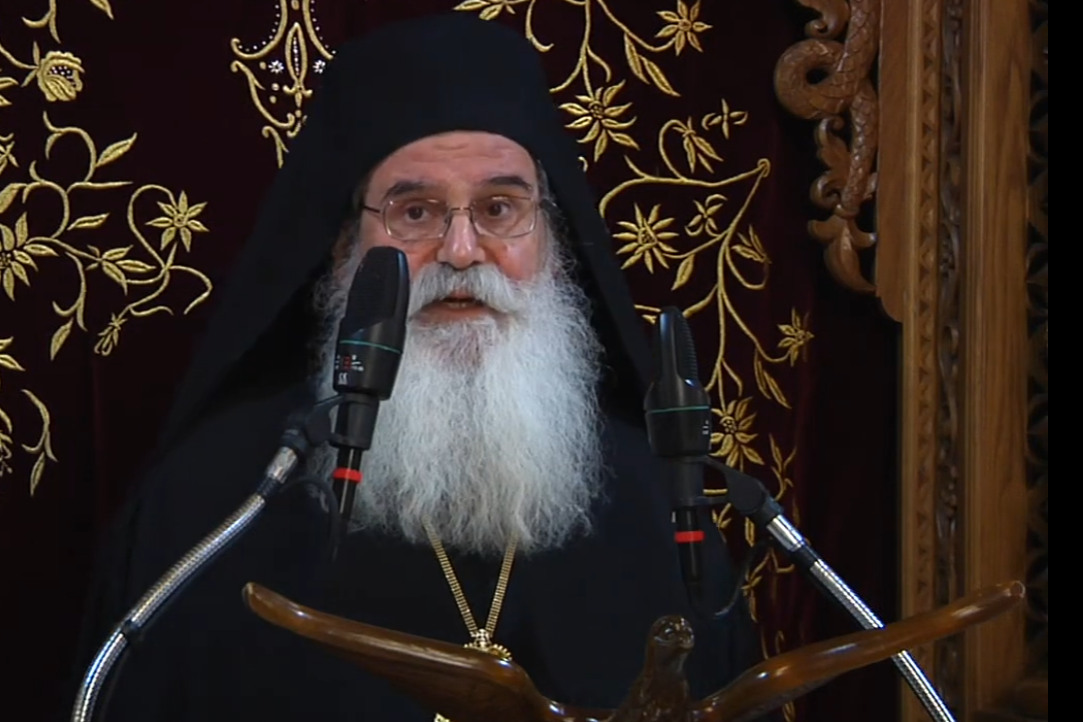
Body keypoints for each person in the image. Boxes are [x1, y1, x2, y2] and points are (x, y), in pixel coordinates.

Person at [72, 13, 759, 721]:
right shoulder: (217, 503)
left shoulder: (652, 501)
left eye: (500, 208)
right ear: (345, 246)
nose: (461, 251)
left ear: (552, 238)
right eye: (415, 212)